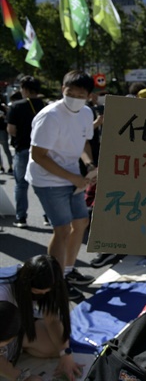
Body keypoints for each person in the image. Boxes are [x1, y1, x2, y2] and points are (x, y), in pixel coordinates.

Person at [25, 70, 97, 301]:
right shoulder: (50, 116)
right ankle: (55, 283)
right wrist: (72, 177)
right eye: (70, 92)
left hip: (73, 177)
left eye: (80, 93)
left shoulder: (86, 112)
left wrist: (89, 165)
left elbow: (84, 142)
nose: (74, 97)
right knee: (63, 229)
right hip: (48, 180)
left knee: (81, 222)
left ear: (89, 95)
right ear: (61, 89)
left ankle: (67, 270)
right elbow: (38, 155)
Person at [0, 255, 82, 381]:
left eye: (46, 293)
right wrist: (21, 376)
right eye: (37, 293)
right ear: (26, 284)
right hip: (6, 332)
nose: (42, 296)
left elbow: (53, 320)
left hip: (13, 331)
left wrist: (65, 353)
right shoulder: (3, 294)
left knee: (55, 347)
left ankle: (15, 346)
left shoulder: (47, 282)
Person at [6, 76, 47, 228]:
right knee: (44, 184)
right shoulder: (46, 105)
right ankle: (48, 216)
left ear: (24, 89)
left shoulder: (16, 106)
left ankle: (21, 217)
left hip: (23, 148)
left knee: (21, 185)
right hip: (44, 151)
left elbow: (11, 130)